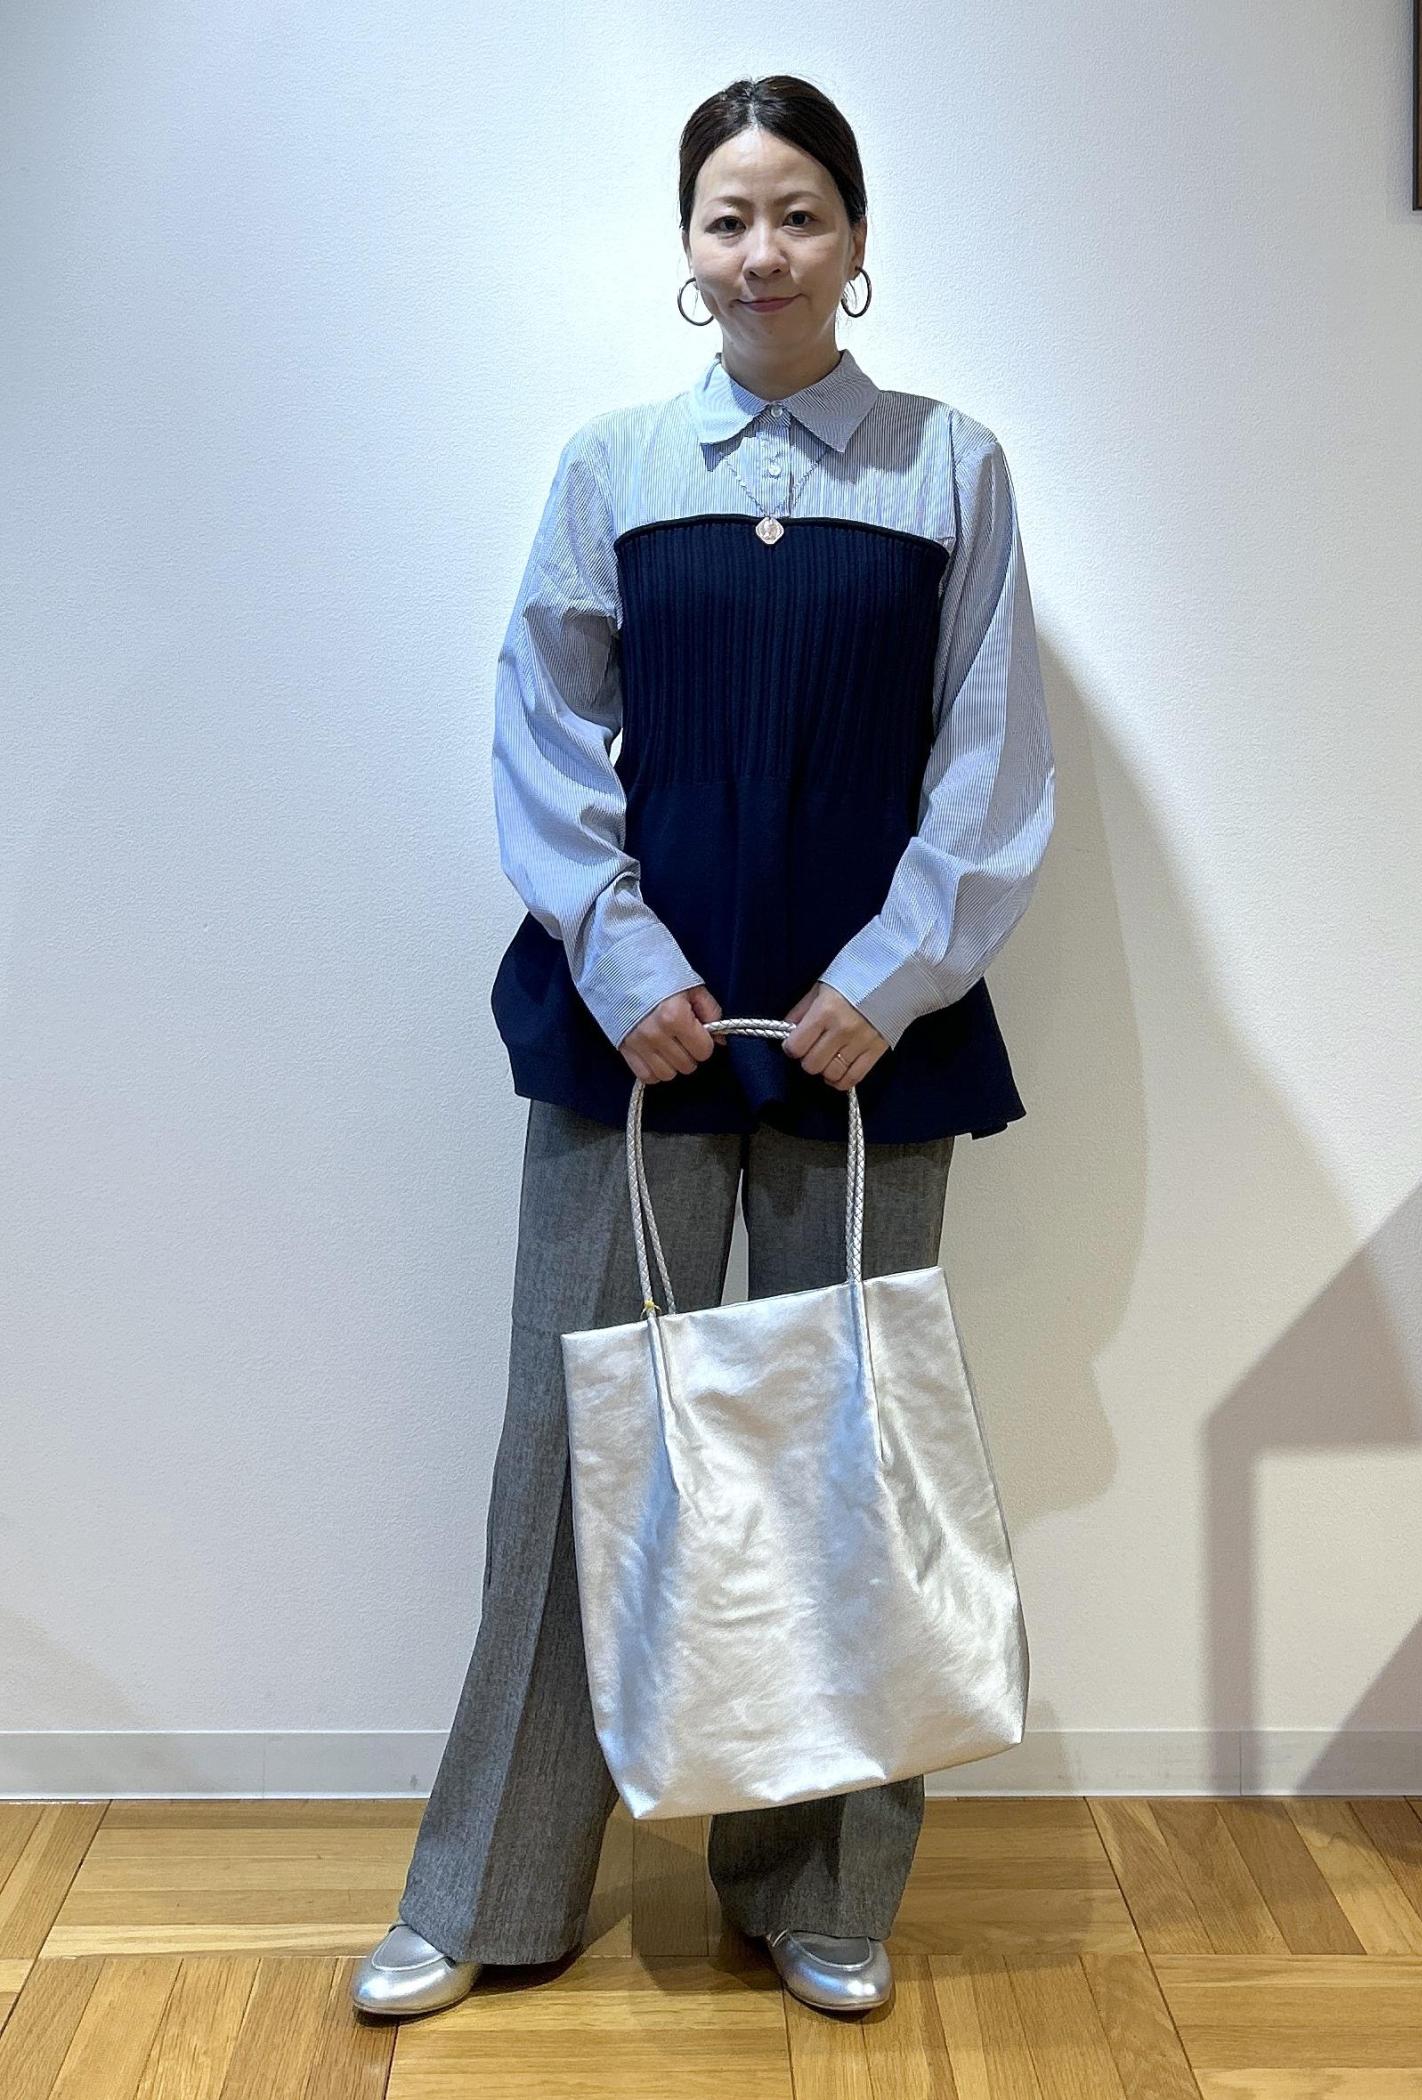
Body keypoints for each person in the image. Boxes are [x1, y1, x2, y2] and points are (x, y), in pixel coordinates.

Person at [352, 71, 1055, 2023]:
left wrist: (893, 976)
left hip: (864, 1056)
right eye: (730, 217)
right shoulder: (614, 464)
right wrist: (619, 951)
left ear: (857, 237)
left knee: (845, 1461)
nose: (764, 251)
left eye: (800, 212)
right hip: (635, 1038)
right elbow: (540, 723)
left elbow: (992, 751)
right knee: (570, 1454)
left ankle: (818, 1888)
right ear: (688, 246)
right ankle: (488, 1890)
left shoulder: (952, 468)